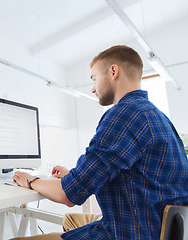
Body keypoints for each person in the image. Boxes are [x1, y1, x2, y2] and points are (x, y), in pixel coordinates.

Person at [11, 45, 188, 240]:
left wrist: (30, 180)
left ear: (113, 71)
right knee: (71, 220)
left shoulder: (124, 115)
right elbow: (135, 177)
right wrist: (74, 176)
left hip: (129, 233)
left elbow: (67, 196)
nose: (93, 88)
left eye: (94, 78)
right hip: (157, 227)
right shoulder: (157, 116)